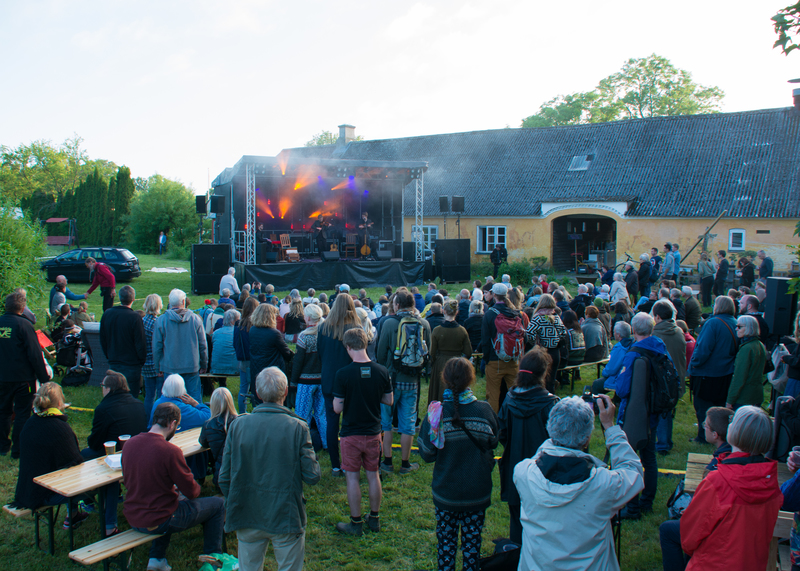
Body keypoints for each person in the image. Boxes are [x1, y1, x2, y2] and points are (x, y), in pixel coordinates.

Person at [514, 394, 643, 571]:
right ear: (587, 439)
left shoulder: (524, 473)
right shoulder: (603, 484)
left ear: (550, 429)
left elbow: (541, 454)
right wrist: (609, 427)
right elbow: (633, 472)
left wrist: (558, 433)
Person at [219, 367, 320, 571]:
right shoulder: (297, 427)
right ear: (285, 392)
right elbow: (312, 475)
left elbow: (224, 477)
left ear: (257, 393)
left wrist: (238, 499)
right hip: (285, 515)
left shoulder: (237, 426)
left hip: (247, 512)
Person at [418, 357, 499, 570]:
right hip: (477, 492)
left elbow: (427, 454)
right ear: (471, 379)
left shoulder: (436, 415)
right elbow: (493, 442)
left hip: (447, 492)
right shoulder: (484, 411)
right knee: (472, 546)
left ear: (444, 379)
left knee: (446, 545)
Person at [124, 401, 225, 571]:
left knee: (167, 502)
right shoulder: (170, 451)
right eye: (177, 427)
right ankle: (213, 562)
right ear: (172, 424)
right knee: (217, 504)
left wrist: (170, 490)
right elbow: (192, 492)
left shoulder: (129, 444)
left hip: (133, 516)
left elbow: (133, 481)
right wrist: (190, 486)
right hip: (160, 519)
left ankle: (157, 558)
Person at [680, 406, 782, 570]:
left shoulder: (717, 482)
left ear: (735, 432)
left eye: (733, 421)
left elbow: (689, 538)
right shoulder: (769, 481)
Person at [658, 406, 735, 570]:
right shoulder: (732, 455)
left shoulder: (717, 468)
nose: (702, 427)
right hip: (729, 528)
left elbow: (708, 509)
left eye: (705, 425)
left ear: (715, 434)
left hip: (718, 530)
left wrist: (690, 514)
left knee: (667, 530)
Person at [333, 329, 393, 535]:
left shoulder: (342, 374)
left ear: (348, 347)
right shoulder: (382, 371)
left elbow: (337, 408)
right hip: (373, 432)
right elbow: (389, 400)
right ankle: (374, 519)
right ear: (366, 344)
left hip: (351, 433)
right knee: (373, 474)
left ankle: (356, 522)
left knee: (352, 478)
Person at [497, 348, 558, 545]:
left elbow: (502, 432)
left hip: (519, 468)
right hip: (541, 471)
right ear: (543, 373)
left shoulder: (512, 400)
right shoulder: (549, 404)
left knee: (519, 522)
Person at [614, 312, 670, 519]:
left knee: (630, 459)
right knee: (649, 457)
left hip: (635, 412)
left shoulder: (635, 353)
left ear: (633, 329)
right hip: (654, 409)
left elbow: (622, 389)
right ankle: (647, 502)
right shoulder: (660, 347)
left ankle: (633, 507)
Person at [13, 383, 88, 530]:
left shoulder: (29, 423)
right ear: (60, 402)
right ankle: (108, 525)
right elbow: (75, 461)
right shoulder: (60, 428)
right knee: (92, 481)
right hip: (46, 493)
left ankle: (73, 515)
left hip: (27, 490)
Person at [83, 371, 147, 535]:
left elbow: (94, 442)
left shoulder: (104, 408)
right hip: (140, 452)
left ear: (109, 388)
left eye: (102, 386)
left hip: (117, 456)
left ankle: (89, 501)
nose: (102, 389)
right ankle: (111, 505)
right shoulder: (138, 403)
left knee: (84, 456)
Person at [376, 290, 430, 475]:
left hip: (390, 381)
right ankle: (405, 464)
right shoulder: (424, 324)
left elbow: (381, 354)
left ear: (396, 305)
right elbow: (427, 354)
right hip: (412, 381)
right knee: (408, 423)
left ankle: (387, 462)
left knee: (386, 423)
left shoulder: (389, 323)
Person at [0, 292, 51, 458]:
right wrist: (44, 379)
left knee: (3, 411)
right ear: (22, 308)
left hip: (3, 377)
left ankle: (2, 446)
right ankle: (18, 449)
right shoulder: (24, 325)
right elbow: (35, 354)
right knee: (22, 412)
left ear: (6, 306)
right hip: (23, 378)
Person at [318, 293, 361, 477]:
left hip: (330, 379)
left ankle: (336, 465)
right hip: (350, 380)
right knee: (350, 423)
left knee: (332, 423)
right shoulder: (355, 328)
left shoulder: (323, 328)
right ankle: (348, 463)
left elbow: (320, 353)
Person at [688, 296, 738, 443]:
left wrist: (693, 364)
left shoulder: (713, 323)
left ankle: (704, 436)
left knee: (703, 407)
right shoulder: (735, 322)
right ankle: (720, 435)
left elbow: (703, 349)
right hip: (726, 372)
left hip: (707, 373)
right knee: (720, 407)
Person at [153, 289, 208, 404]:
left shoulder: (162, 320)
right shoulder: (195, 319)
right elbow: (203, 344)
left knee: (170, 400)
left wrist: (158, 367)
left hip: (170, 366)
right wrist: (204, 364)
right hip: (190, 366)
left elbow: (157, 346)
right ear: (183, 301)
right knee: (194, 400)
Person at [651, 300, 687, 456]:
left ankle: (662, 443)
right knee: (667, 411)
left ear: (658, 317)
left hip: (663, 380)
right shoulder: (679, 331)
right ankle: (665, 441)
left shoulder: (656, 334)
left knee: (662, 412)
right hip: (677, 378)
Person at [482, 283, 524, 413]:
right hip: (513, 359)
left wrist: (486, 359)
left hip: (495, 360)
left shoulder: (489, 314)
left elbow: (485, 340)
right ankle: (517, 419)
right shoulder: (516, 314)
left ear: (494, 295)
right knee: (516, 394)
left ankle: (494, 422)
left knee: (493, 395)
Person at [100, 285, 147, 398]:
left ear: (119, 298)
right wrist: (141, 361)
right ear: (133, 299)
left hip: (114, 360)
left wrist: (109, 355)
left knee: (114, 394)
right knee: (130, 396)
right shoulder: (134, 317)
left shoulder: (107, 314)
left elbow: (103, 339)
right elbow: (140, 343)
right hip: (130, 364)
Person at [292, 304, 327, 451]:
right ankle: (326, 443)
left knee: (302, 414)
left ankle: (302, 443)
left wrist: (293, 381)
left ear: (307, 318)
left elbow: (298, 362)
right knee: (321, 414)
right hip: (322, 380)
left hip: (305, 382)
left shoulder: (304, 336)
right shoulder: (325, 335)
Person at [428, 300, 472, 404]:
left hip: (440, 364)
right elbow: (468, 351)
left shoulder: (437, 330)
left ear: (444, 311)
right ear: (457, 312)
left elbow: (432, 353)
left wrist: (433, 363)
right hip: (457, 364)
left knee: (439, 392)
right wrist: (461, 360)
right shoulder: (462, 330)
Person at [249, 304, 294, 405]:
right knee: (275, 397)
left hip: (256, 366)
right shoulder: (274, 333)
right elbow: (286, 353)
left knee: (260, 396)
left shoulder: (252, 330)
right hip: (272, 370)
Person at [526, 294, 568, 393]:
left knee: (540, 380)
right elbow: (563, 332)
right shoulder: (556, 317)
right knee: (551, 381)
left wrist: (535, 344)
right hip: (556, 352)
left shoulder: (538, 318)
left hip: (543, 352)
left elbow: (529, 334)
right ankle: (551, 399)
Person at [199, 387, 238, 489]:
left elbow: (203, 443)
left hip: (221, 477)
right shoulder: (240, 422)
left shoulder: (208, 425)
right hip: (240, 474)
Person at [726, 315, 767, 409]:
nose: (736, 329)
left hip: (744, 397)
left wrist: (730, 400)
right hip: (756, 394)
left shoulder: (747, 348)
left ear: (749, 328)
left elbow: (739, 377)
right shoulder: (759, 344)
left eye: (739, 327)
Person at [592, 321, 634, 393]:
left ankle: (597, 400)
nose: (613, 333)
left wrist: (604, 372)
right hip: (629, 377)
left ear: (618, 335)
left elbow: (611, 370)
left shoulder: (620, 348)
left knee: (596, 384)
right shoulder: (632, 344)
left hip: (620, 379)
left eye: (614, 332)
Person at [233, 297, 258, 413]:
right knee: (257, 387)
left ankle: (242, 412)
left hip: (243, 359)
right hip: (255, 358)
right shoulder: (256, 324)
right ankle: (257, 411)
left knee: (243, 388)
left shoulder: (239, 324)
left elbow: (235, 343)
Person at [142, 294, 163, 419]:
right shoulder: (158, 323)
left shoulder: (141, 321)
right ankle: (158, 419)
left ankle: (147, 420)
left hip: (145, 362)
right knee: (160, 395)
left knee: (149, 395)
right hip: (157, 363)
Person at [211, 309, 240, 376]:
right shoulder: (238, 333)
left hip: (216, 368)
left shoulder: (215, 333)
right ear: (234, 321)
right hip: (234, 368)